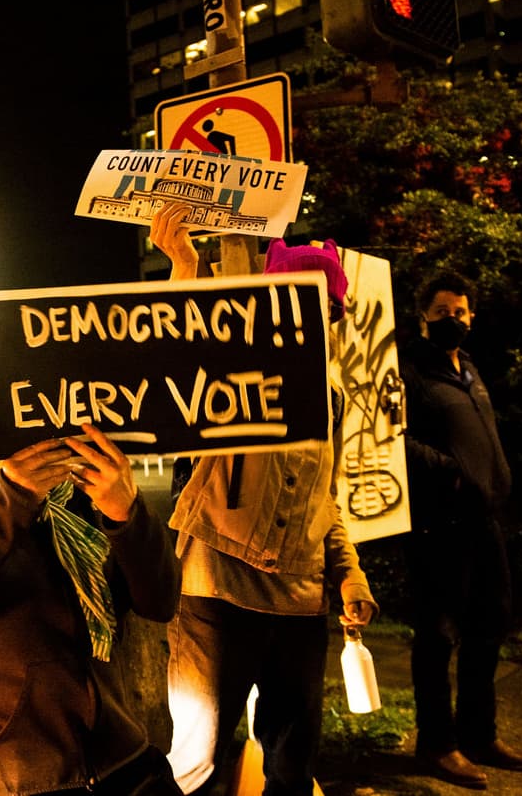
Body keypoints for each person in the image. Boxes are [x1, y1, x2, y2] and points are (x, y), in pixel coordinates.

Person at [150, 203, 377, 796]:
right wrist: (184, 268)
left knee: (292, 769)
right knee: (195, 766)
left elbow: (324, 503)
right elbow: (177, 359)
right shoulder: (233, 369)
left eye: (323, 310)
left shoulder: (331, 396)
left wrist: (349, 576)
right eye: (296, 305)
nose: (312, 322)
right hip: (217, 595)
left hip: (302, 606)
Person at [0, 422, 182, 796]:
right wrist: (11, 500)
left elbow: (161, 602)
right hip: (13, 776)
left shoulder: (83, 487)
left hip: (119, 755)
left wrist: (126, 513)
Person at [400, 272, 522, 789]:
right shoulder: (411, 371)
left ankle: (480, 734)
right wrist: (449, 472)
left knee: (491, 624)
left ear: (471, 317)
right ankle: (437, 745)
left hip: (486, 521)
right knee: (437, 635)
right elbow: (393, 437)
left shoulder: (470, 370)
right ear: (423, 317)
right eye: (441, 312)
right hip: (440, 524)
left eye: (459, 312)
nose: (451, 320)